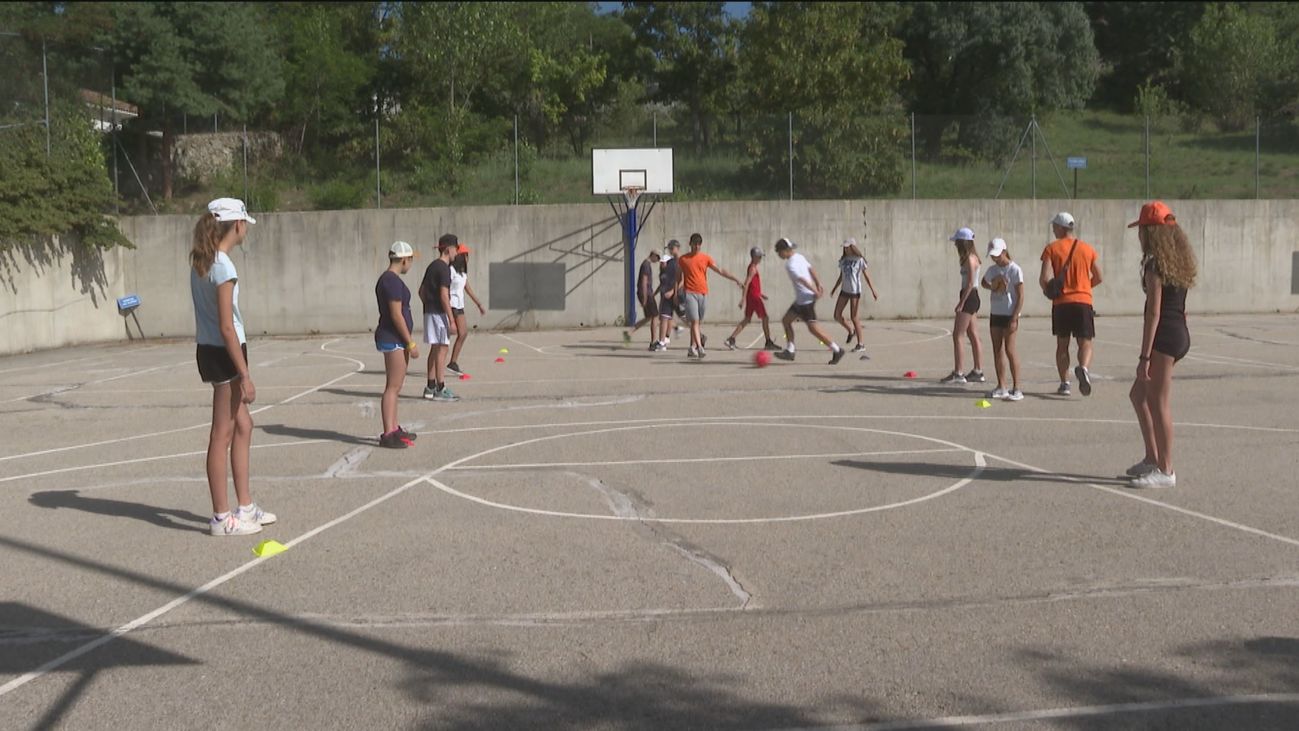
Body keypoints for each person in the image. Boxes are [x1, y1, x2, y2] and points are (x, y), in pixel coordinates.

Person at [189, 197, 276, 537]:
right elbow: (227, 326)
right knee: (221, 433)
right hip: (225, 352)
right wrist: (245, 374)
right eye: (244, 224)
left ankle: (245, 506)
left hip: (214, 349)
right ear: (237, 225)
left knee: (244, 425)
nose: (245, 230)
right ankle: (221, 517)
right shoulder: (223, 266)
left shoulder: (203, 261)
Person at [1127, 202, 1196, 489]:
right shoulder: (1176, 260)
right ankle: (1152, 458)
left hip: (1165, 336)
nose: (1139, 234)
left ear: (1149, 231)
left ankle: (1166, 470)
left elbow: (1153, 313)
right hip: (1177, 331)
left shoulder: (1155, 264)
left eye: (1141, 229)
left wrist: (1144, 357)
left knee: (1157, 402)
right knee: (1138, 395)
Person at [1039, 211, 1103, 396]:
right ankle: (1083, 367)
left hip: (1062, 303)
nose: (1053, 230)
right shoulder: (1087, 249)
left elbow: (1044, 278)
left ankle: (1064, 383)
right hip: (1083, 301)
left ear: (1060, 228)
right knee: (1085, 342)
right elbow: (1099, 276)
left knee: (1062, 345)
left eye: (1054, 227)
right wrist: (1084, 287)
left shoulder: (1051, 248)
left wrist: (1049, 291)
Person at [375, 241, 421, 448]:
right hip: (393, 338)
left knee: (396, 386)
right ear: (404, 260)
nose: (410, 264)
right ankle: (388, 433)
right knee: (392, 387)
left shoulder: (389, 280)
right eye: (410, 260)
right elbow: (396, 314)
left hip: (396, 338)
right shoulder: (391, 281)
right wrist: (410, 343)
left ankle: (394, 428)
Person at [772, 238, 845, 365]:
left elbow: (802, 280)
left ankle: (837, 350)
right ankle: (790, 350)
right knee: (786, 320)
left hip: (805, 301)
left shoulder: (790, 265)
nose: (778, 254)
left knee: (813, 329)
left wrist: (815, 290)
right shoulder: (799, 257)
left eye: (779, 252)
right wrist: (818, 284)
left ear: (785, 250)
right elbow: (811, 269)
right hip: (802, 299)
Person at [675, 232, 743, 359]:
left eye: (699, 244)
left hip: (703, 293)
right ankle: (700, 347)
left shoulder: (705, 258)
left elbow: (720, 270)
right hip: (690, 293)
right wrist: (676, 292)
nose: (696, 247)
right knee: (694, 321)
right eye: (694, 244)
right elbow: (678, 278)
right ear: (690, 244)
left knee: (697, 322)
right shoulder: (683, 259)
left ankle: (692, 347)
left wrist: (735, 279)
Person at [980, 238, 1024, 401]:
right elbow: (984, 282)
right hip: (996, 313)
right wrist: (993, 285)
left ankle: (1017, 388)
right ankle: (1001, 386)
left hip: (1009, 314)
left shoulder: (1015, 270)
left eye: (997, 255)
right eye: (992, 255)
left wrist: (1015, 317)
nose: (995, 258)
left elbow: (1021, 295)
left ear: (1004, 251)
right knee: (997, 349)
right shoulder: (992, 270)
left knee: (1010, 350)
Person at [941, 227, 986, 384]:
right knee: (973, 334)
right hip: (970, 296)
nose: (955, 245)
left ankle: (958, 373)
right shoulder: (970, 258)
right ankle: (978, 371)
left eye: (957, 242)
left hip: (969, 296)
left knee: (958, 335)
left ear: (963, 243)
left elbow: (970, 283)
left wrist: (961, 303)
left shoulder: (970, 259)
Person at [419, 233, 460, 401]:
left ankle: (430, 386)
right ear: (449, 249)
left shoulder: (432, 266)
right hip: (439, 314)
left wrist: (428, 305)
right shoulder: (444, 269)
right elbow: (444, 295)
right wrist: (451, 320)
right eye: (456, 249)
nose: (457, 252)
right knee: (442, 349)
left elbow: (421, 291)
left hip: (430, 312)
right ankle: (440, 388)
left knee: (435, 349)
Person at [829, 237, 879, 357]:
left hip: (855, 292)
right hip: (844, 291)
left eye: (847, 247)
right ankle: (851, 330)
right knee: (837, 315)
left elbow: (866, 276)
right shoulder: (843, 260)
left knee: (854, 317)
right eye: (844, 247)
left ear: (852, 247)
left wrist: (873, 290)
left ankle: (861, 344)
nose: (845, 249)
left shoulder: (860, 260)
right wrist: (834, 288)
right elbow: (841, 276)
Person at [724, 246, 779, 351]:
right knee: (765, 318)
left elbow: (753, 285)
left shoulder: (752, 267)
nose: (760, 259)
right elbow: (747, 283)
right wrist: (743, 299)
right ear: (754, 257)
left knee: (747, 319)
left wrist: (761, 294)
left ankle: (731, 339)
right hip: (754, 298)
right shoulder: (753, 269)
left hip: (753, 296)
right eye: (759, 257)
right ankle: (768, 342)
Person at [446, 244, 486, 376]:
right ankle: (440, 362)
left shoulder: (462, 273)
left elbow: (468, 289)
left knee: (463, 333)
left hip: (459, 306)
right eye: (466, 255)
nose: (468, 258)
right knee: (449, 335)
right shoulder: (451, 270)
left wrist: (479, 304)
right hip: (451, 305)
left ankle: (453, 363)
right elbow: (445, 288)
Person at [624, 249, 661, 350]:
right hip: (647, 294)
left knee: (649, 317)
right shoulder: (646, 265)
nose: (657, 260)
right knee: (655, 316)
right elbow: (644, 282)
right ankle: (653, 342)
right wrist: (644, 298)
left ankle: (629, 333)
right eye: (657, 258)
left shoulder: (646, 264)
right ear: (653, 255)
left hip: (646, 293)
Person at [654, 240, 682, 351]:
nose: (670, 250)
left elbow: (681, 280)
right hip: (668, 295)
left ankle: (699, 336)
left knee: (686, 318)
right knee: (665, 317)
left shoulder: (680, 262)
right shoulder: (671, 263)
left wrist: (673, 292)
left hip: (676, 294)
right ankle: (663, 341)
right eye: (669, 248)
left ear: (677, 248)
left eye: (672, 247)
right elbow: (665, 282)